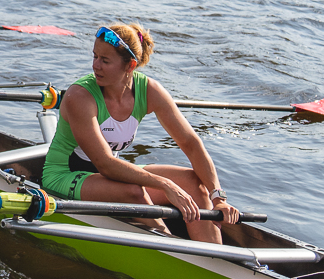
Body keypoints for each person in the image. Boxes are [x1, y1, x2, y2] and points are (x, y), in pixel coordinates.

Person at [40, 23, 239, 244]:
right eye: (95, 56)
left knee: (193, 182)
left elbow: (191, 144)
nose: (95, 65)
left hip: (108, 178)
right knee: (134, 192)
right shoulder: (80, 96)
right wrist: (165, 184)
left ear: (130, 65)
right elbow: (105, 164)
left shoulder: (149, 90)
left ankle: (213, 253)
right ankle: (171, 247)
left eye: (105, 60)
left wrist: (218, 197)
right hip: (63, 176)